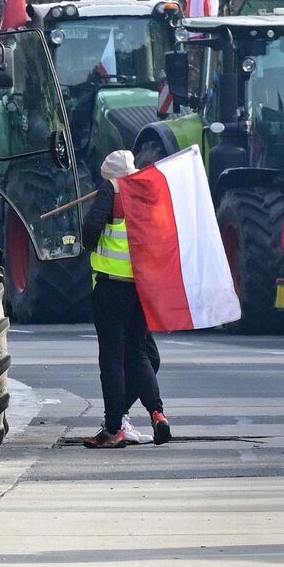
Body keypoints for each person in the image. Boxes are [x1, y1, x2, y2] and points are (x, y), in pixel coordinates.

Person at [80, 149, 172, 448]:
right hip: (141, 288)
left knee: (112, 358)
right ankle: (157, 414)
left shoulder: (113, 190)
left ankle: (113, 428)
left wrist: (89, 245)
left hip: (111, 287)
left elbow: (91, 227)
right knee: (138, 353)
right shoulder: (146, 193)